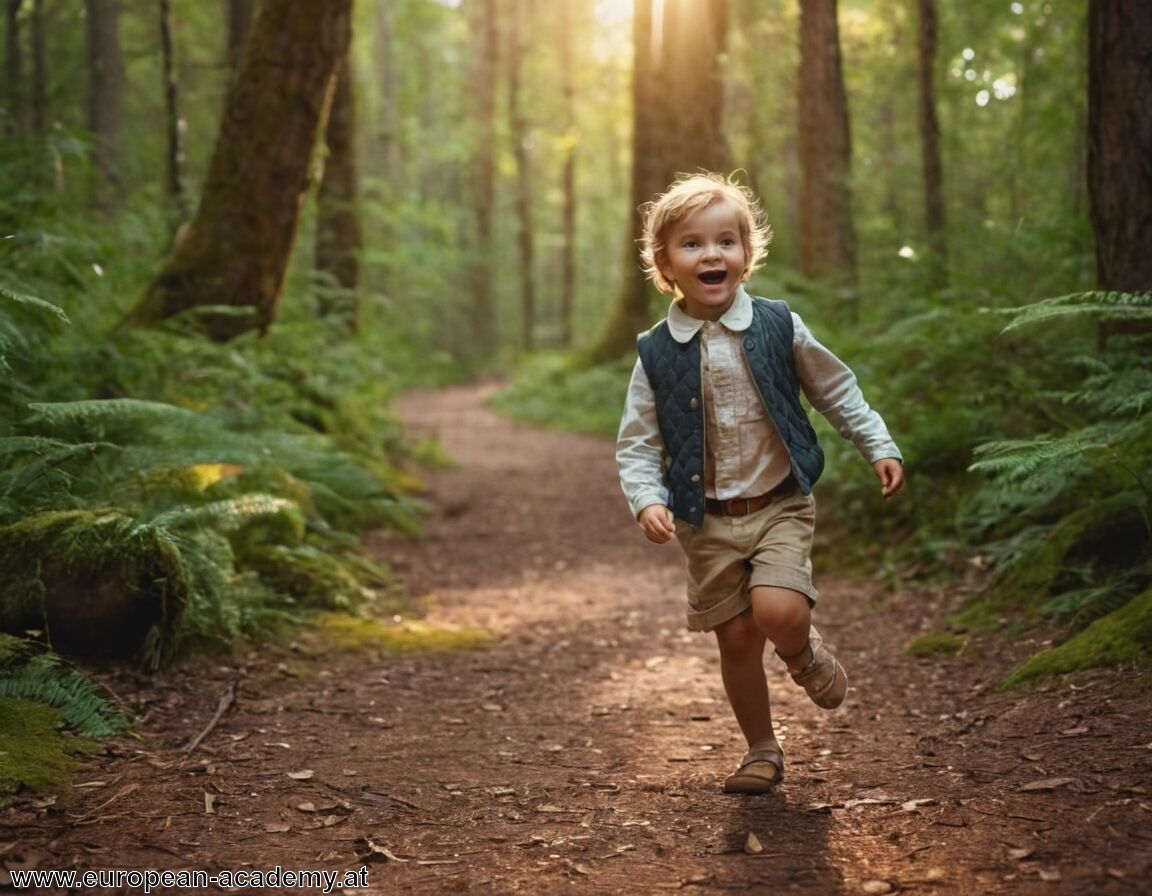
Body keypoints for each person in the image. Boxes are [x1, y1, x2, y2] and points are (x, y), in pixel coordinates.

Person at [616, 171, 905, 795]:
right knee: (738, 638)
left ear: (747, 254)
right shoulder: (656, 350)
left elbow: (835, 389)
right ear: (665, 263)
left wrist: (876, 442)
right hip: (705, 520)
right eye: (692, 244)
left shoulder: (778, 324)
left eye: (726, 241)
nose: (712, 254)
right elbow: (638, 442)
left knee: (777, 610)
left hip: (779, 502)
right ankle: (761, 749)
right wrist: (646, 500)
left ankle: (801, 653)